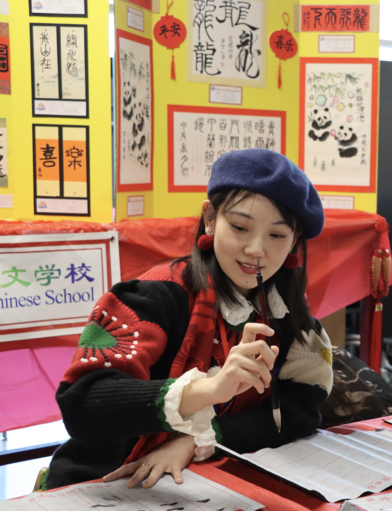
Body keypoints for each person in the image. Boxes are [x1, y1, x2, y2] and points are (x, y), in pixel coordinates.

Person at [45, 150, 333, 490]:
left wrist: (196, 441)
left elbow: (297, 414)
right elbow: (81, 405)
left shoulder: (289, 319)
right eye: (240, 227)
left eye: (277, 235)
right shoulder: (154, 296)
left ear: (295, 241)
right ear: (210, 217)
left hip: (205, 483)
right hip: (101, 484)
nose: (257, 249)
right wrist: (209, 389)